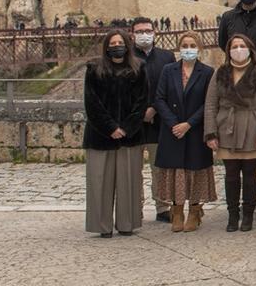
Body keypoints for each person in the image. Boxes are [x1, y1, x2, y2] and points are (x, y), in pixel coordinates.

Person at [204, 33, 256, 232]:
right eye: (234, 46)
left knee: (250, 173)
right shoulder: (221, 72)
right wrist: (211, 133)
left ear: (249, 48)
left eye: (242, 45)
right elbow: (210, 104)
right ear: (228, 51)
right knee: (231, 174)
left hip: (252, 127)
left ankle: (248, 215)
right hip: (227, 127)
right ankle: (232, 214)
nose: (238, 49)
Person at [82, 30, 148, 237]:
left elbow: (142, 101)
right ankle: (102, 225)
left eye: (120, 42)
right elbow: (91, 102)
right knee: (99, 181)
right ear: (106, 46)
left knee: (129, 181)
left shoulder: (138, 68)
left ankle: (127, 223)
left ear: (127, 45)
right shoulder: (94, 69)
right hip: (100, 134)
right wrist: (110, 127)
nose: (117, 45)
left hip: (130, 135)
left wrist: (127, 127)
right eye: (113, 42)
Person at [153, 31, 217, 232]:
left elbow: (209, 102)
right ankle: (177, 210)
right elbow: (160, 98)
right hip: (172, 130)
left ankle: (195, 211)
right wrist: (174, 123)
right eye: (184, 45)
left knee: (195, 170)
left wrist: (189, 124)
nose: (188, 49)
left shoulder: (207, 72)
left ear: (199, 48)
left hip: (195, 129)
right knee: (176, 171)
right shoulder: (168, 70)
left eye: (192, 45)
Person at [131, 17, 174, 222]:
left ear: (155, 32)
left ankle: (162, 206)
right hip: (133, 123)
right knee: (133, 171)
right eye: (139, 31)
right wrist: (140, 112)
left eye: (147, 30)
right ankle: (134, 208)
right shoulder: (126, 56)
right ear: (133, 34)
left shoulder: (166, 57)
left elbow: (170, 88)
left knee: (160, 169)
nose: (144, 34)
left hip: (159, 122)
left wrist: (155, 108)